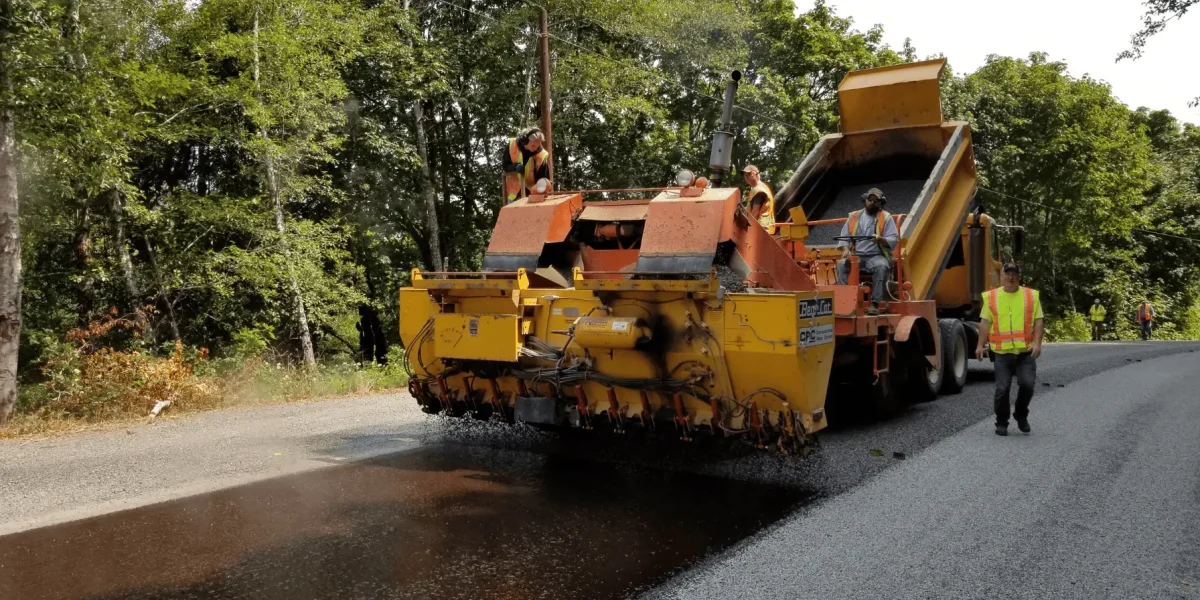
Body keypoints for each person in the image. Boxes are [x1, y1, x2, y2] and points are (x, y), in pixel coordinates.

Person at [976, 262, 1044, 436]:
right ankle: (1001, 422)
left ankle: (1021, 414)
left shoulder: (1031, 296)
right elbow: (985, 322)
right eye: (1008, 274)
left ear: (1019, 277)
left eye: (1014, 275)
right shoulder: (992, 297)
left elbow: (1038, 320)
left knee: (1027, 385)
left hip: (1025, 352)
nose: (1011, 278)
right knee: (1002, 389)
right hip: (1001, 352)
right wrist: (980, 344)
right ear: (1002, 277)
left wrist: (1037, 343)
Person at [835, 187, 898, 316]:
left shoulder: (886, 218)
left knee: (881, 266)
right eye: (871, 199)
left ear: (881, 202)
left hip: (876, 256)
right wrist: (846, 250)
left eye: (876, 200)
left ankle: (875, 303)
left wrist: (880, 239)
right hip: (857, 256)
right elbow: (844, 238)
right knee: (842, 264)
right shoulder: (853, 217)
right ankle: (845, 301)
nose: (873, 202)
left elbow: (893, 239)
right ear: (865, 199)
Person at [501, 127, 551, 203]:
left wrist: (538, 193)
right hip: (513, 194)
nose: (536, 148)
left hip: (532, 195)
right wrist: (515, 167)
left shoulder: (541, 155)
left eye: (537, 145)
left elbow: (544, 179)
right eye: (533, 145)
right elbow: (505, 165)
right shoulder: (512, 145)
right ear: (525, 141)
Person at [741, 165, 776, 234]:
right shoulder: (755, 189)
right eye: (744, 175)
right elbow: (748, 209)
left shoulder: (759, 190)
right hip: (763, 228)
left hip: (762, 228)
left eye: (748, 174)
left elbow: (755, 212)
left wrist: (746, 227)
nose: (746, 177)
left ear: (756, 174)